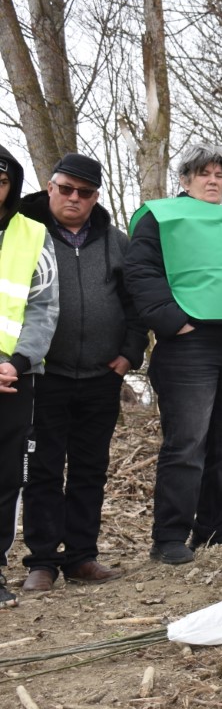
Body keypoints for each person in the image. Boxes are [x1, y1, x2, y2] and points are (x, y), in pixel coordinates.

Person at [125, 144, 222, 565]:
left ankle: (214, 527)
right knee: (187, 441)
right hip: (189, 343)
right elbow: (141, 272)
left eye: (219, 174)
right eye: (204, 173)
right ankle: (170, 537)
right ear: (185, 179)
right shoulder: (160, 216)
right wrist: (174, 322)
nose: (213, 180)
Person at [17, 154, 147, 592]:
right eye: (66, 188)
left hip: (100, 377)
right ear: (50, 187)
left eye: (85, 192)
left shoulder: (116, 242)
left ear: (95, 197)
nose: (74, 198)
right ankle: (41, 561)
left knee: (90, 469)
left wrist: (129, 355)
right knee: (42, 470)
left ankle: (81, 557)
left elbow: (135, 304)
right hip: (42, 375)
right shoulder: (24, 234)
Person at [0, 145, 59, 608]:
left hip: (14, 375)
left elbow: (43, 307)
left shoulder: (33, 233)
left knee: (5, 478)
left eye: (1, 181)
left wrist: (18, 362)